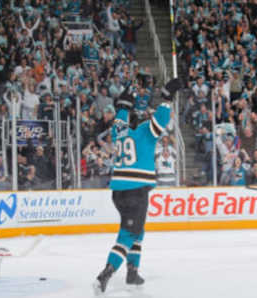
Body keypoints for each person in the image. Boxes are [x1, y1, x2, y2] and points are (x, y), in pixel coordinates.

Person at [93, 78, 182, 295]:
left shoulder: (119, 132)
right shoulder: (144, 132)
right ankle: (106, 272)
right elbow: (162, 118)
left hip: (119, 191)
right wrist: (167, 97)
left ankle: (132, 273)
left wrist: (124, 103)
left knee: (137, 231)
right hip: (135, 191)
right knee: (127, 235)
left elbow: (121, 114)